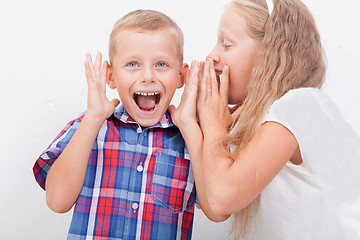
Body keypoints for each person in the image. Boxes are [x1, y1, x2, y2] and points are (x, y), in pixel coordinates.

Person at [169, 0, 360, 239]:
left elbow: (220, 200)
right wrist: (189, 125)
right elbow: (213, 207)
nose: (211, 56)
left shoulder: (299, 105)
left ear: (270, 53)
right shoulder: (257, 118)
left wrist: (213, 123)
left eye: (226, 45)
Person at [33, 9, 196, 239]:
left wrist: (193, 126)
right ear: (110, 76)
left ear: (181, 76)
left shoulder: (191, 140)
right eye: (132, 64)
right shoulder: (88, 125)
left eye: (161, 64)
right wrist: (93, 118)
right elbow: (57, 201)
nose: (148, 76)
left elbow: (217, 207)